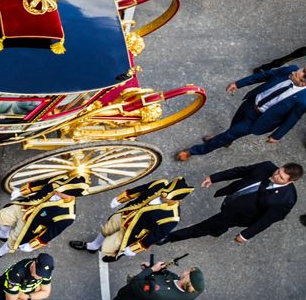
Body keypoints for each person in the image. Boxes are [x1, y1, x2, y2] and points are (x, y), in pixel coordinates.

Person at [176, 66, 306, 161]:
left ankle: (193, 151)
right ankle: (225, 140)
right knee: (234, 124)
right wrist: (239, 84)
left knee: (228, 134)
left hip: (259, 120)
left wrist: (277, 135)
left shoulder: (303, 99)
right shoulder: (290, 70)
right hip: (250, 103)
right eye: (298, 69)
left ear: (303, 82)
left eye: (296, 74)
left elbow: (292, 119)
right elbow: (264, 75)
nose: (293, 72)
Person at [159, 162, 300, 244]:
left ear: (290, 181)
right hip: (231, 198)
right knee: (218, 222)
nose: (275, 176)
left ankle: (170, 237)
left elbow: (266, 221)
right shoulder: (266, 166)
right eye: (277, 171)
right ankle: (217, 230)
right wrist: (214, 178)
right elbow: (241, 171)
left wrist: (245, 235)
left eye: (281, 178)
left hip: (239, 216)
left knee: (203, 227)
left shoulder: (286, 200)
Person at [71, 176, 191, 261]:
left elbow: (154, 236)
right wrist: (121, 198)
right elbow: (140, 190)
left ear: (178, 200)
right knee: (106, 229)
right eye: (163, 193)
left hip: (132, 231)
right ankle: (93, 246)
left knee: (111, 247)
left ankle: (116, 255)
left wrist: (134, 249)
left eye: (167, 197)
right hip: (125, 214)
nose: (162, 196)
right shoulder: (160, 184)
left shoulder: (172, 218)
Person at [0, 173, 89, 262]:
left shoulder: (68, 216)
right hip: (25, 207)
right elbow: (41, 183)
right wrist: (21, 191)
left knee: (12, 243)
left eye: (62, 191)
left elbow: (50, 233)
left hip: (29, 226)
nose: (57, 189)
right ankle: (3, 234)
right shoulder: (60, 181)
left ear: (72, 195)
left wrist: (33, 245)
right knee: (2, 216)